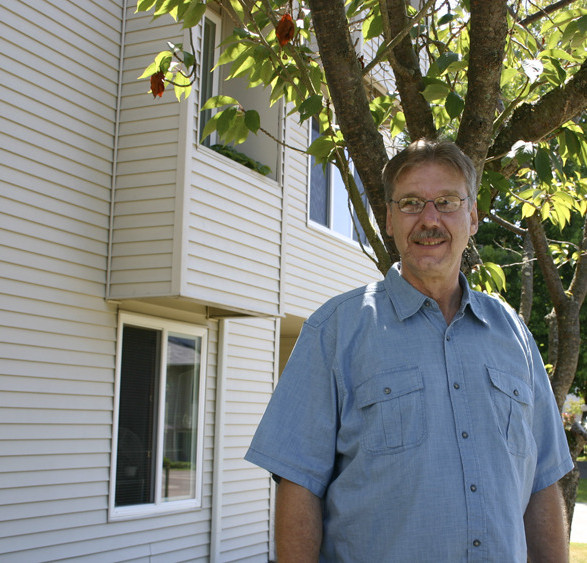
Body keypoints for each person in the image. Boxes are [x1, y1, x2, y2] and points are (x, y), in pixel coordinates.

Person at [245, 139, 573, 562]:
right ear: (389, 219)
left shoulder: (514, 335)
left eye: (448, 201)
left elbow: (542, 484)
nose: (429, 219)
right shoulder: (335, 330)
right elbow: (298, 486)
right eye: (412, 203)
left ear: (472, 217)